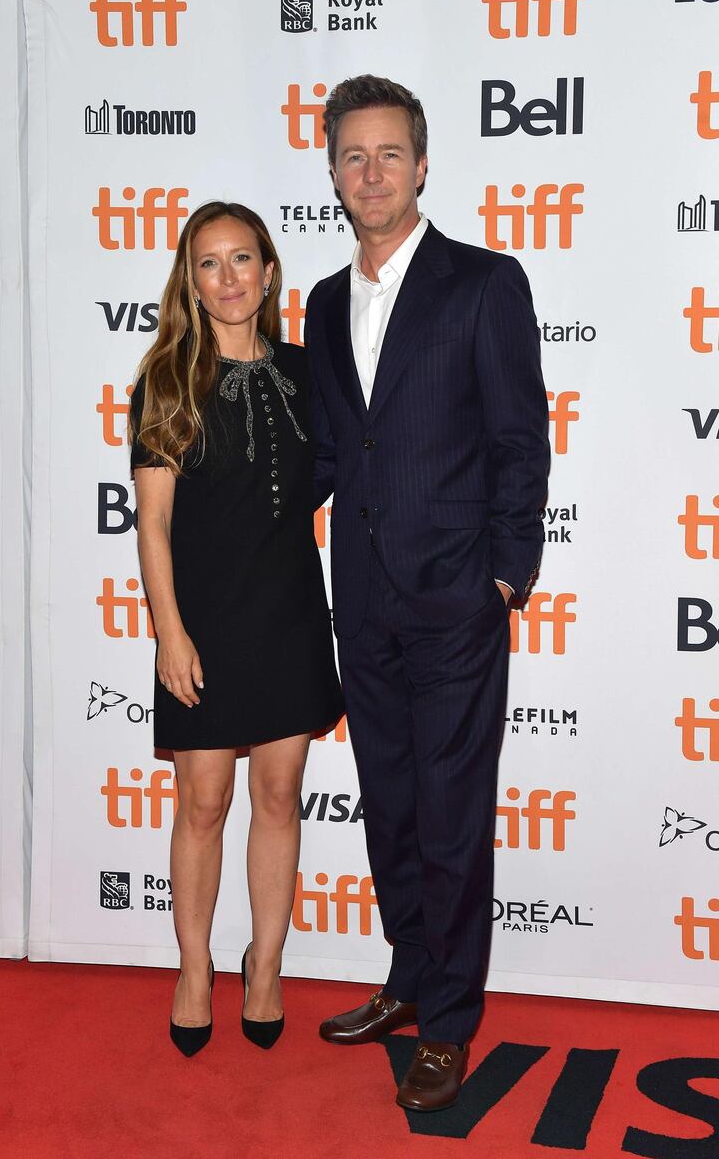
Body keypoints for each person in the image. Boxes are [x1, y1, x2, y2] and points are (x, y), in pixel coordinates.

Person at [305, 76, 550, 1111]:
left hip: (454, 600)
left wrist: (504, 573)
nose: (371, 173)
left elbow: (518, 441)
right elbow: (325, 451)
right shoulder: (320, 301)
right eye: (352, 156)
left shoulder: (481, 283)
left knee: (450, 814)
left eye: (388, 154)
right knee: (393, 809)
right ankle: (408, 978)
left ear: (421, 163)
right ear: (331, 170)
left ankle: (448, 1019)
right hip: (359, 600)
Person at [129, 201, 343, 1058]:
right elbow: (151, 525)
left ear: (267, 271)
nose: (228, 279)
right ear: (191, 279)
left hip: (290, 612)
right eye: (210, 263)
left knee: (280, 796)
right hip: (205, 624)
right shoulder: (167, 381)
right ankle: (192, 969)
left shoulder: (304, 372)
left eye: (243, 259)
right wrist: (168, 633)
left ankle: (266, 966)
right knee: (204, 802)